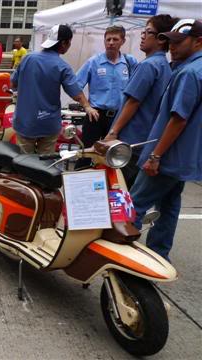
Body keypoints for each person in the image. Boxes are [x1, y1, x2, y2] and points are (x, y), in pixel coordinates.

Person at [129, 19, 202, 261]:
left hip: (167, 156)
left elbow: (178, 119)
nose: (172, 46)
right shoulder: (192, 68)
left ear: (198, 41)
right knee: (169, 206)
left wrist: (155, 156)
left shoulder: (190, 72)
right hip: (182, 158)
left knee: (133, 205)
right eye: (170, 40)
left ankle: (122, 262)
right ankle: (158, 256)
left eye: (179, 42)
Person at [104, 15, 178, 187]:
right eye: (143, 31)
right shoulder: (164, 66)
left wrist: (113, 133)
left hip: (130, 140)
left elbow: (133, 102)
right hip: (145, 139)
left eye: (149, 32)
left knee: (119, 192)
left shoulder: (148, 65)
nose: (143, 36)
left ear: (161, 39)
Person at [11, 24, 98, 155]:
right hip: (48, 123)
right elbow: (75, 93)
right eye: (69, 43)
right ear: (63, 43)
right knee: (45, 165)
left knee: (23, 162)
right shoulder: (63, 66)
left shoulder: (27, 58)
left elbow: (13, 83)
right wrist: (87, 106)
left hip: (25, 122)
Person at [75, 25, 138, 168]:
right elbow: (75, 86)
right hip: (96, 116)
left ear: (123, 41)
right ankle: (80, 185)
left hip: (118, 118)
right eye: (108, 39)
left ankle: (111, 188)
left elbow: (137, 89)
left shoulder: (130, 62)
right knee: (86, 154)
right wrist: (87, 106)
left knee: (114, 157)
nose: (110, 42)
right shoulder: (93, 62)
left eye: (115, 39)